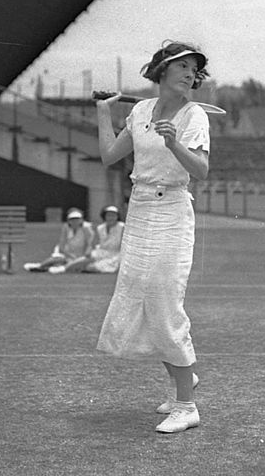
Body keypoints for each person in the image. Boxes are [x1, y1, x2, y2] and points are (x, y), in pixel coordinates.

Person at [95, 40, 211, 434]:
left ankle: (186, 405)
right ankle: (186, 377)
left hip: (173, 211)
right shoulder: (141, 111)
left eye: (194, 69)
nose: (189, 74)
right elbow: (111, 155)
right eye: (183, 67)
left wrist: (173, 141)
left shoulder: (195, 116)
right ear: (162, 70)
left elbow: (201, 171)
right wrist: (103, 112)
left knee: (164, 299)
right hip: (140, 210)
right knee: (141, 297)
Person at [23, 208, 94, 273]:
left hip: (81, 254)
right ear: (69, 221)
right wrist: (70, 256)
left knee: (82, 262)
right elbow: (61, 246)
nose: (75, 221)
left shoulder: (87, 228)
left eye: (77, 219)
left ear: (81, 220)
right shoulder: (66, 227)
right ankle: (41, 266)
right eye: (72, 219)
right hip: (67, 253)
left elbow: (89, 244)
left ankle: (60, 268)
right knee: (57, 259)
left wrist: (81, 256)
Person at [83, 205, 125, 273]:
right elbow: (93, 243)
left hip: (116, 255)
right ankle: (63, 269)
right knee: (84, 260)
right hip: (102, 252)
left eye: (113, 215)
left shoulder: (122, 227)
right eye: (108, 215)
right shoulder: (100, 228)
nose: (111, 218)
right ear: (104, 216)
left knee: (91, 267)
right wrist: (89, 250)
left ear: (117, 217)